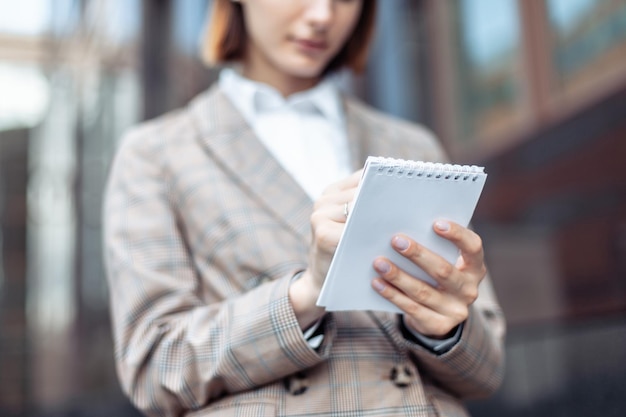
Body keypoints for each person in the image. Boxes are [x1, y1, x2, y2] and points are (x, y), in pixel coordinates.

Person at [103, 0, 505, 416]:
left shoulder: (412, 147)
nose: (322, 16)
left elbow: (487, 372)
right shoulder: (155, 154)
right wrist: (306, 294)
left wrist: (444, 326)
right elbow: (154, 369)